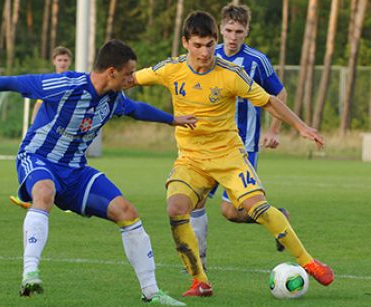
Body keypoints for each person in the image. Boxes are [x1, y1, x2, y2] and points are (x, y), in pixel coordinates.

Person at [0, 39, 193, 306]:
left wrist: (172, 119)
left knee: (128, 212)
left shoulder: (115, 99)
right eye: (128, 74)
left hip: (76, 171)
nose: (131, 79)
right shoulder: (66, 85)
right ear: (111, 72)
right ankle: (30, 272)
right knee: (44, 192)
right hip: (38, 158)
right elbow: (12, 82)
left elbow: (137, 110)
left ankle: (151, 291)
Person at [133, 11, 334, 297]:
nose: (205, 52)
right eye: (198, 45)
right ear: (185, 43)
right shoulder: (171, 69)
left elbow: (271, 101)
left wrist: (300, 126)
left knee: (257, 207)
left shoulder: (230, 73)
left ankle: (309, 262)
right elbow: (130, 80)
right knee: (176, 209)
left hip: (229, 157)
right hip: (190, 161)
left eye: (209, 44)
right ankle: (199, 281)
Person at [189, 3, 289, 271]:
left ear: (247, 32)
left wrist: (273, 130)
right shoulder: (207, 54)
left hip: (244, 147)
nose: (233, 36)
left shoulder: (257, 61)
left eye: (239, 31)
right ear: (220, 29)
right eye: (229, 30)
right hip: (207, 146)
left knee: (231, 212)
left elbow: (279, 94)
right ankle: (199, 266)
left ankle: (278, 217)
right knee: (194, 201)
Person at [10, 46, 73, 209]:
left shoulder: (75, 82)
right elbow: (39, 104)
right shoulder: (49, 82)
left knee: (65, 164)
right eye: (60, 60)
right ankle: (29, 195)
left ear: (70, 62)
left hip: (65, 132)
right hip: (47, 131)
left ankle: (67, 199)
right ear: (54, 62)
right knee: (34, 159)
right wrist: (34, 124)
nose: (63, 63)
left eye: (65, 60)